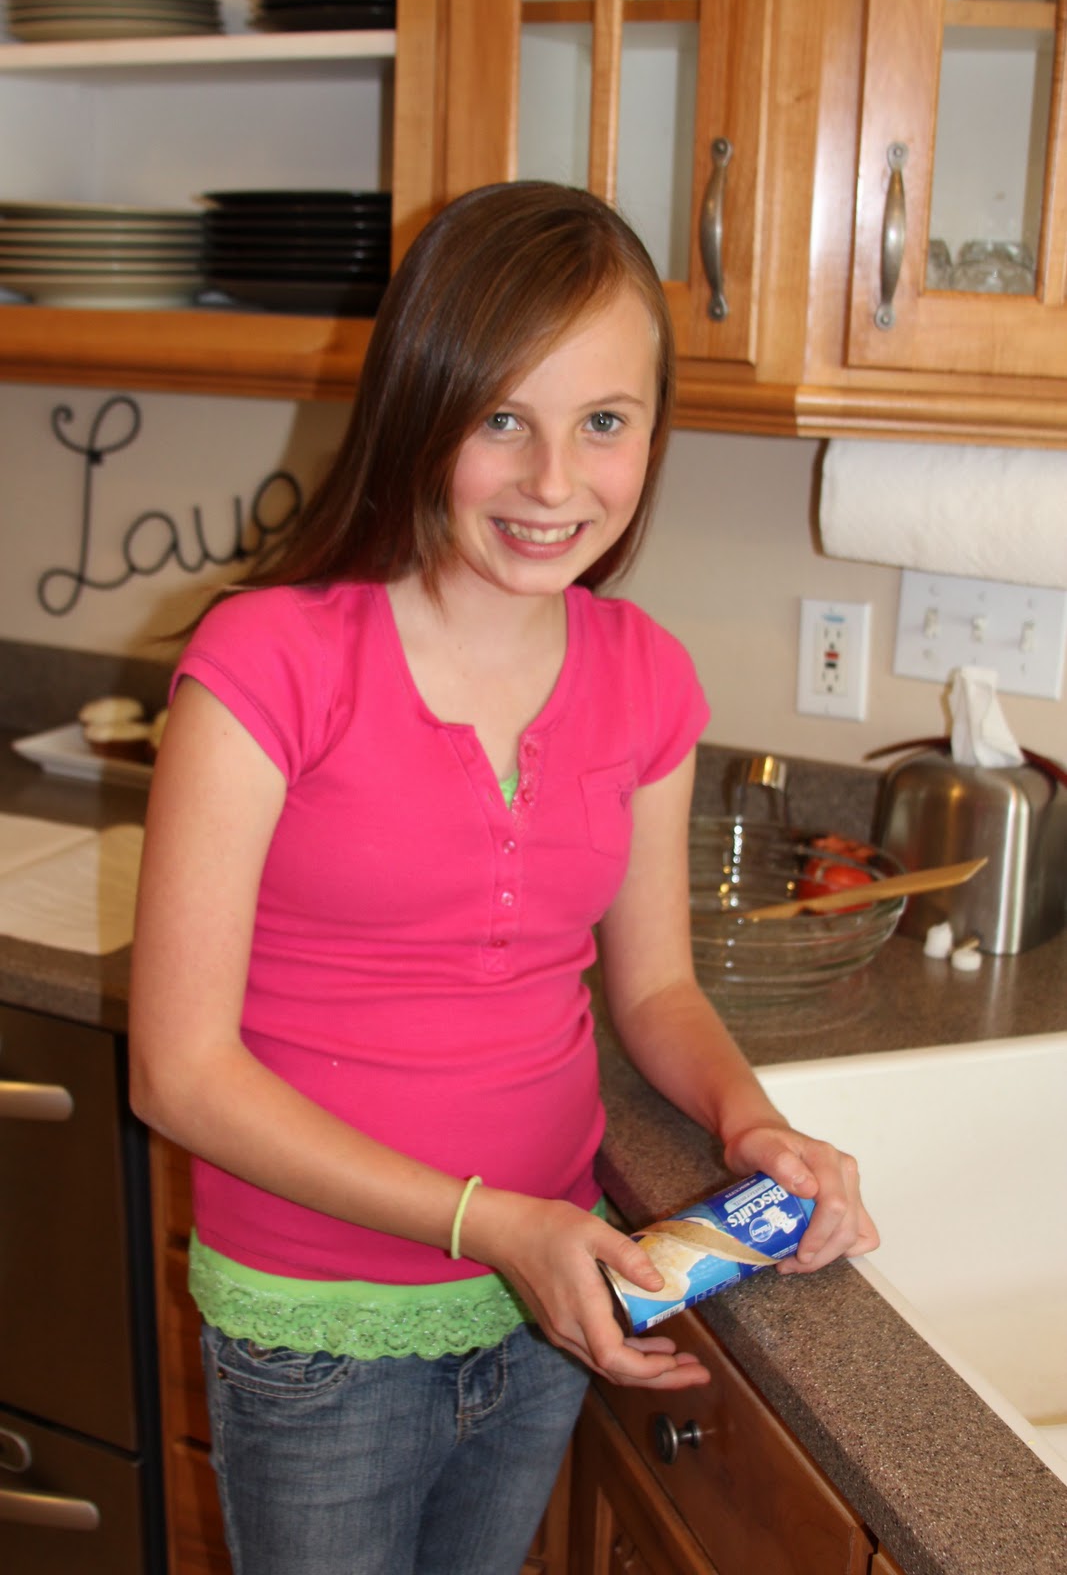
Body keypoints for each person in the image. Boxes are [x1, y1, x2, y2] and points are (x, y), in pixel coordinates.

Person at [129, 180, 878, 1575]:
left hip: (549, 1301)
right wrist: (495, 1225)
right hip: (321, 1329)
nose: (553, 482)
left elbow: (654, 991)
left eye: (605, 422)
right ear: (421, 409)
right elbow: (178, 1073)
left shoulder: (646, 675)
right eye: (500, 420)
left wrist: (753, 1124)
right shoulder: (268, 661)